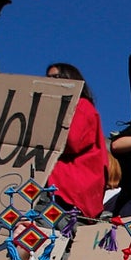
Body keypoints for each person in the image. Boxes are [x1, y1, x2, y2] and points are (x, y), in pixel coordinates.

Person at [46, 61, 110, 218]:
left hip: (67, 189)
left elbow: (71, 141)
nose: (51, 82)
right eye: (48, 78)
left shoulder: (81, 105)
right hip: (59, 187)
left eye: (56, 77)